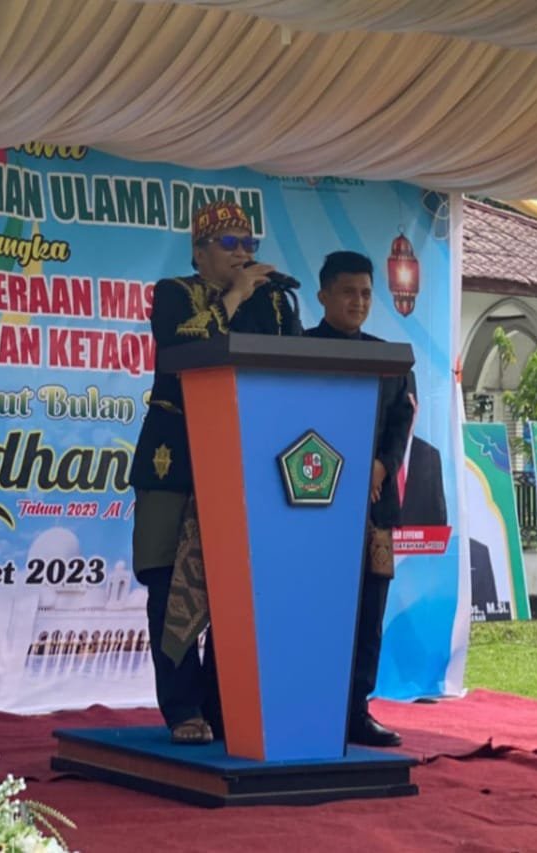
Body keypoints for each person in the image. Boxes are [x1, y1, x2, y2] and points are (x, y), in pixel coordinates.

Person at [130, 200, 300, 745]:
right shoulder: (175, 292)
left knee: (237, 585)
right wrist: (235, 296)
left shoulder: (274, 301)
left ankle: (224, 707)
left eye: (249, 243)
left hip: (245, 460)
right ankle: (183, 708)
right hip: (174, 460)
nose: (243, 253)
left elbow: (296, 366)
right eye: (230, 243)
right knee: (166, 583)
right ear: (199, 252)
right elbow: (182, 346)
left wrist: (257, 296)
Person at [304, 250, 413, 747]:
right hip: (310, 507)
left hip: (373, 507)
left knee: (368, 612)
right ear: (323, 295)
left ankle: (355, 712)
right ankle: (305, 706)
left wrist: (382, 465)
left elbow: (401, 423)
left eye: (366, 293)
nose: (359, 302)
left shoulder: (390, 359)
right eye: (348, 292)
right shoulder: (296, 352)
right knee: (313, 607)